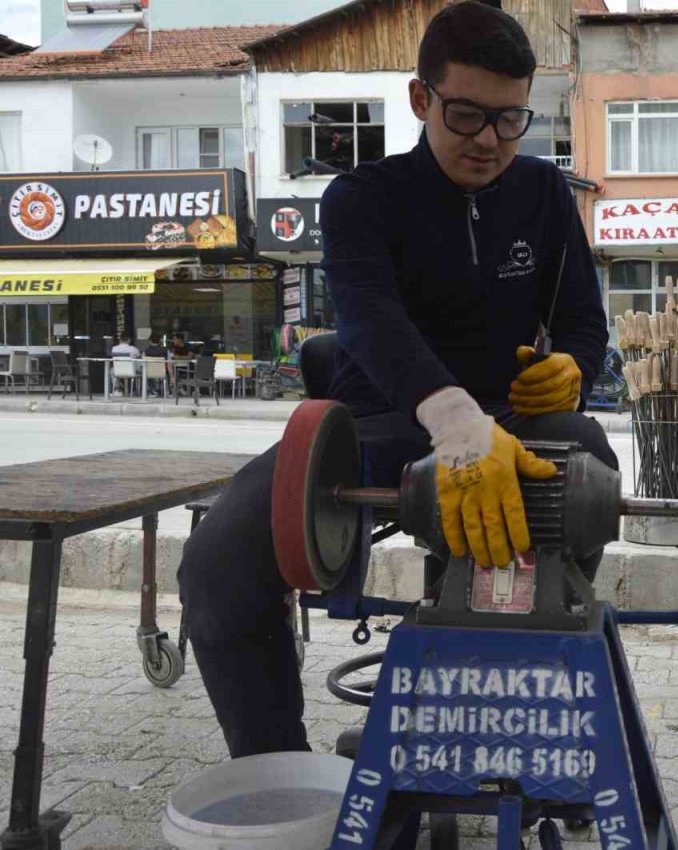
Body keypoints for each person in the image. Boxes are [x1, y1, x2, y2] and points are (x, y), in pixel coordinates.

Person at [178, 1, 613, 759]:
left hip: (507, 425)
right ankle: (277, 770)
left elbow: (584, 324)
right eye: (468, 115)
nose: (489, 141)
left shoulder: (544, 194)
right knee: (215, 564)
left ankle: (510, 722)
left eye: (511, 120)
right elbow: (373, 323)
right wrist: (452, 422)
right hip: (377, 426)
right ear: (421, 99)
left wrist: (573, 367)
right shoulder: (361, 198)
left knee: (586, 468)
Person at [142, 333, 167, 398]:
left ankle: (152, 390)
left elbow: (143, 361)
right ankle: (166, 390)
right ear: (159, 341)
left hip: (149, 373)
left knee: (145, 371)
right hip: (162, 372)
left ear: (150, 340)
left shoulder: (146, 351)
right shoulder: (164, 350)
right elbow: (168, 362)